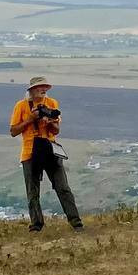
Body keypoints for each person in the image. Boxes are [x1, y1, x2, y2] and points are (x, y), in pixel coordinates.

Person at [9, 76, 84, 233]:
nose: (43, 90)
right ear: (31, 90)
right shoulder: (21, 106)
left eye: (45, 87)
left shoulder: (52, 104)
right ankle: (36, 225)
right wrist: (31, 118)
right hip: (30, 152)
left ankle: (76, 222)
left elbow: (56, 130)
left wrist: (51, 122)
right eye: (39, 87)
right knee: (33, 191)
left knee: (62, 187)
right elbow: (13, 131)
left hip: (50, 149)